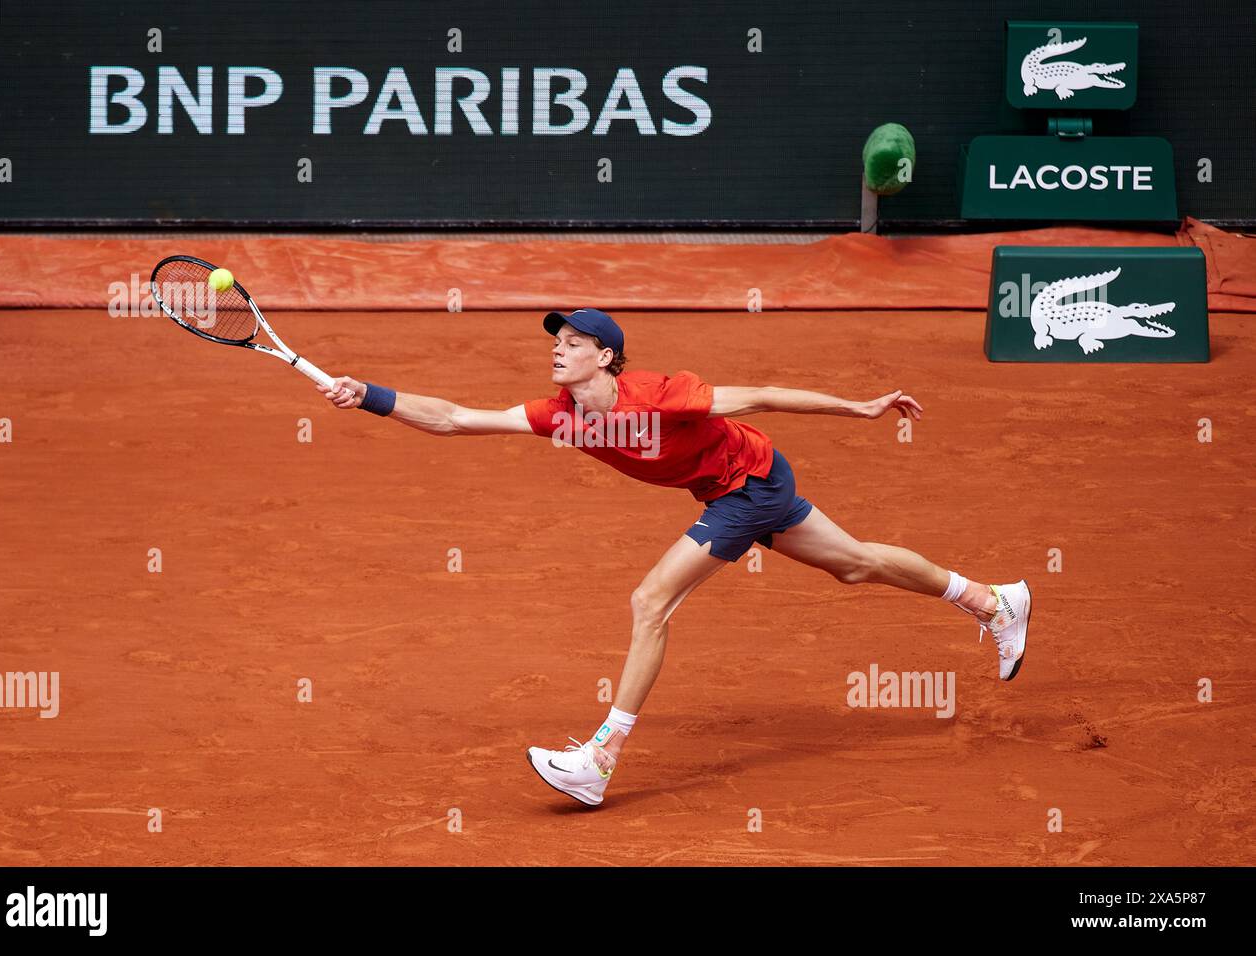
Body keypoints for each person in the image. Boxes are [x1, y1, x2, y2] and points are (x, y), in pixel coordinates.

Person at [317, 308, 1031, 808]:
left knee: (650, 601)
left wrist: (860, 408)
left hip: (745, 485)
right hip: (743, 483)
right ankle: (992, 600)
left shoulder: (658, 394)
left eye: (573, 341)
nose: (558, 348)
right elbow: (454, 418)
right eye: (556, 340)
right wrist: (370, 395)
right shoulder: (561, 415)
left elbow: (763, 395)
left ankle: (599, 760)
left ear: (605, 356)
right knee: (854, 564)